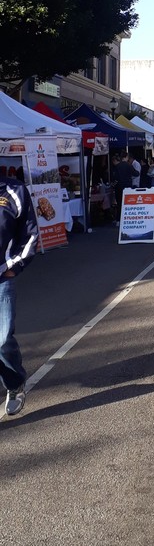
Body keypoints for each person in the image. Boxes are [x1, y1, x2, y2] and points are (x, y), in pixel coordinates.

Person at [0, 176, 39, 416]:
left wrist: (14, 266)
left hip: (2, 278)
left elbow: (30, 233)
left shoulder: (13, 191)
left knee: (2, 340)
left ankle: (14, 385)